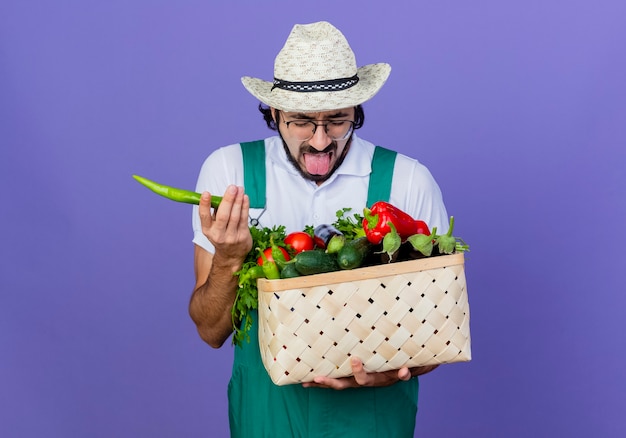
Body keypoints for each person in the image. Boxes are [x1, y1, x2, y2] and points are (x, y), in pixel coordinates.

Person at [189, 21, 449, 437]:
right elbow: (210, 331)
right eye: (301, 122)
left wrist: (394, 372)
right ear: (274, 113)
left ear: (357, 112)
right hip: (266, 411)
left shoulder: (408, 180)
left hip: (372, 413)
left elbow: (437, 330)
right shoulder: (229, 172)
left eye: (338, 121)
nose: (322, 140)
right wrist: (228, 260)